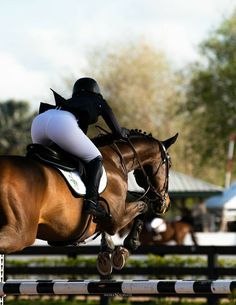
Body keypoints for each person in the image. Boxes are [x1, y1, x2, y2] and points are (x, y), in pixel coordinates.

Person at [31, 77, 128, 223]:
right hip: (61, 123)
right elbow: (118, 133)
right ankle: (91, 202)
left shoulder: (71, 101)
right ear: (96, 91)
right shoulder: (98, 100)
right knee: (96, 158)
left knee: (40, 160)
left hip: (40, 121)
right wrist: (125, 132)